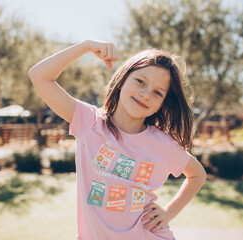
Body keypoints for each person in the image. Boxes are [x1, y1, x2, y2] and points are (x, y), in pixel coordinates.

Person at [28, 40, 206, 240]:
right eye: (140, 81)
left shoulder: (164, 144)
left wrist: (169, 212)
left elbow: (197, 174)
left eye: (157, 92)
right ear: (122, 80)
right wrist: (86, 46)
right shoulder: (89, 122)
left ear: (161, 105)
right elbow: (39, 76)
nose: (145, 94)